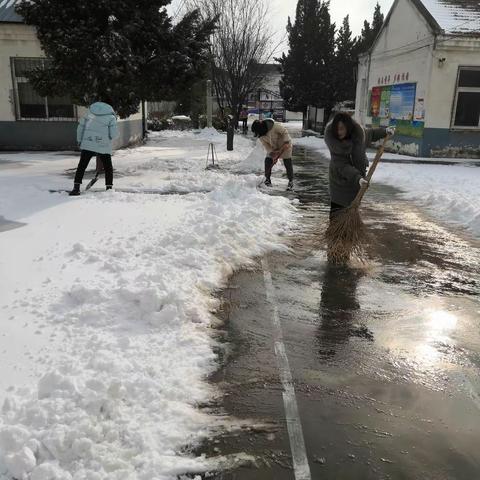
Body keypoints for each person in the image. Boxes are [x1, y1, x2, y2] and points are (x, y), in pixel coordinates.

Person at [324, 113, 394, 218]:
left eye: (342, 128)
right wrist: (358, 178)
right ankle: (335, 232)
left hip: (357, 182)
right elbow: (343, 166)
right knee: (338, 213)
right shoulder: (335, 144)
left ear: (348, 127)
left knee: (352, 212)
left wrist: (384, 132)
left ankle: (350, 232)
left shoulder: (358, 135)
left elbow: (371, 134)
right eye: (337, 129)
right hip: (340, 184)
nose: (339, 132)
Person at [69, 101, 119, 196]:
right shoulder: (111, 117)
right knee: (108, 167)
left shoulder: (88, 114)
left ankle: (76, 188)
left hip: (88, 143)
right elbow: (114, 134)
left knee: (82, 166)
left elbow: (80, 127)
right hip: (103, 145)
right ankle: (109, 188)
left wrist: (79, 140)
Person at [252, 118, 294, 191]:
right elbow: (267, 146)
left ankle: (290, 181)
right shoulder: (261, 135)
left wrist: (286, 141)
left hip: (285, 145)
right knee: (268, 161)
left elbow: (284, 132)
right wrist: (272, 153)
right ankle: (267, 180)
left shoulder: (275, 126)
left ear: (261, 128)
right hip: (274, 148)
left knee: (287, 162)